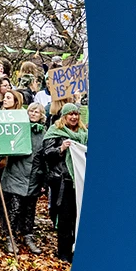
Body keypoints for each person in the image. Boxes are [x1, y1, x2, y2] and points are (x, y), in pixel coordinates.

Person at [0, 102, 49, 255]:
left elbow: (45, 158)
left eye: (36, 112)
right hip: (16, 173)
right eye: (31, 111)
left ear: (41, 115)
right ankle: (10, 237)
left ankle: (28, 236)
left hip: (34, 176)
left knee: (29, 209)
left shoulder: (44, 133)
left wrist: (44, 181)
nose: (33, 114)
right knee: (15, 207)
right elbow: (6, 145)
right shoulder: (18, 128)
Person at [40, 103, 87, 260]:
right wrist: (60, 149)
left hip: (80, 181)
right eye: (70, 114)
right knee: (65, 217)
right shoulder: (55, 132)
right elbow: (46, 154)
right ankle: (64, 252)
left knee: (77, 216)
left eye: (76, 114)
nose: (74, 117)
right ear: (64, 116)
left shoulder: (84, 134)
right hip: (62, 181)